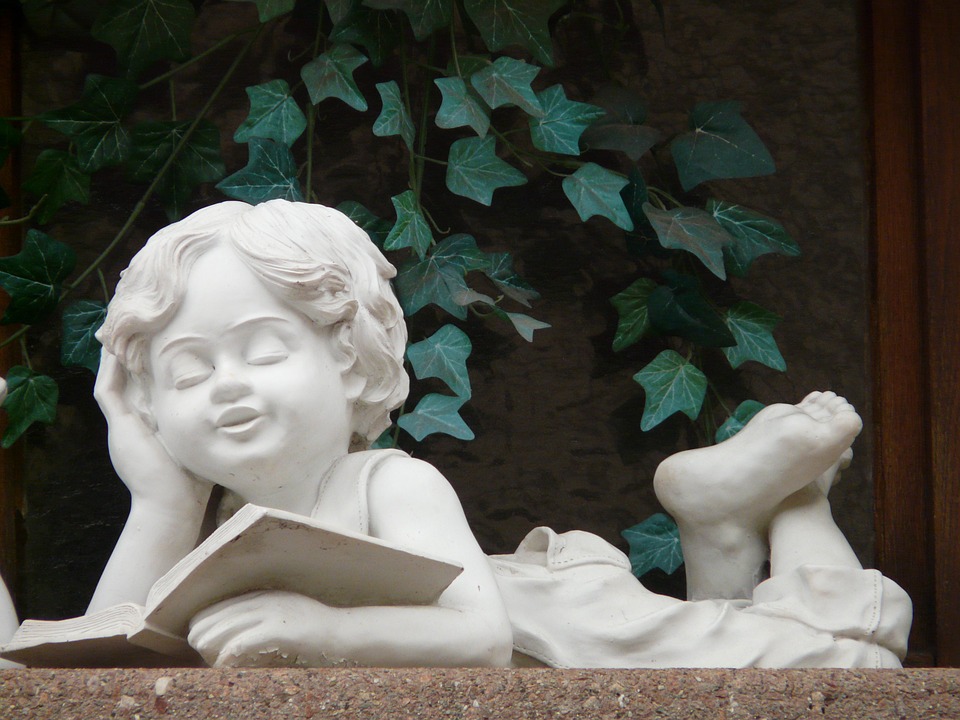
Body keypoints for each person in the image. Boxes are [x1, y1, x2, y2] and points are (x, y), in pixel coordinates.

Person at [88, 199, 910, 668]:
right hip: (567, 656)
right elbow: (98, 666)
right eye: (187, 374)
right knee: (724, 653)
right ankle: (719, 522)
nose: (226, 384)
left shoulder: (390, 483)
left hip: (568, 631)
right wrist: (161, 502)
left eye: (264, 351)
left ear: (346, 355)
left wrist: (329, 633)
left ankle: (793, 502)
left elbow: (481, 638)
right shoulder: (216, 529)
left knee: (851, 659)